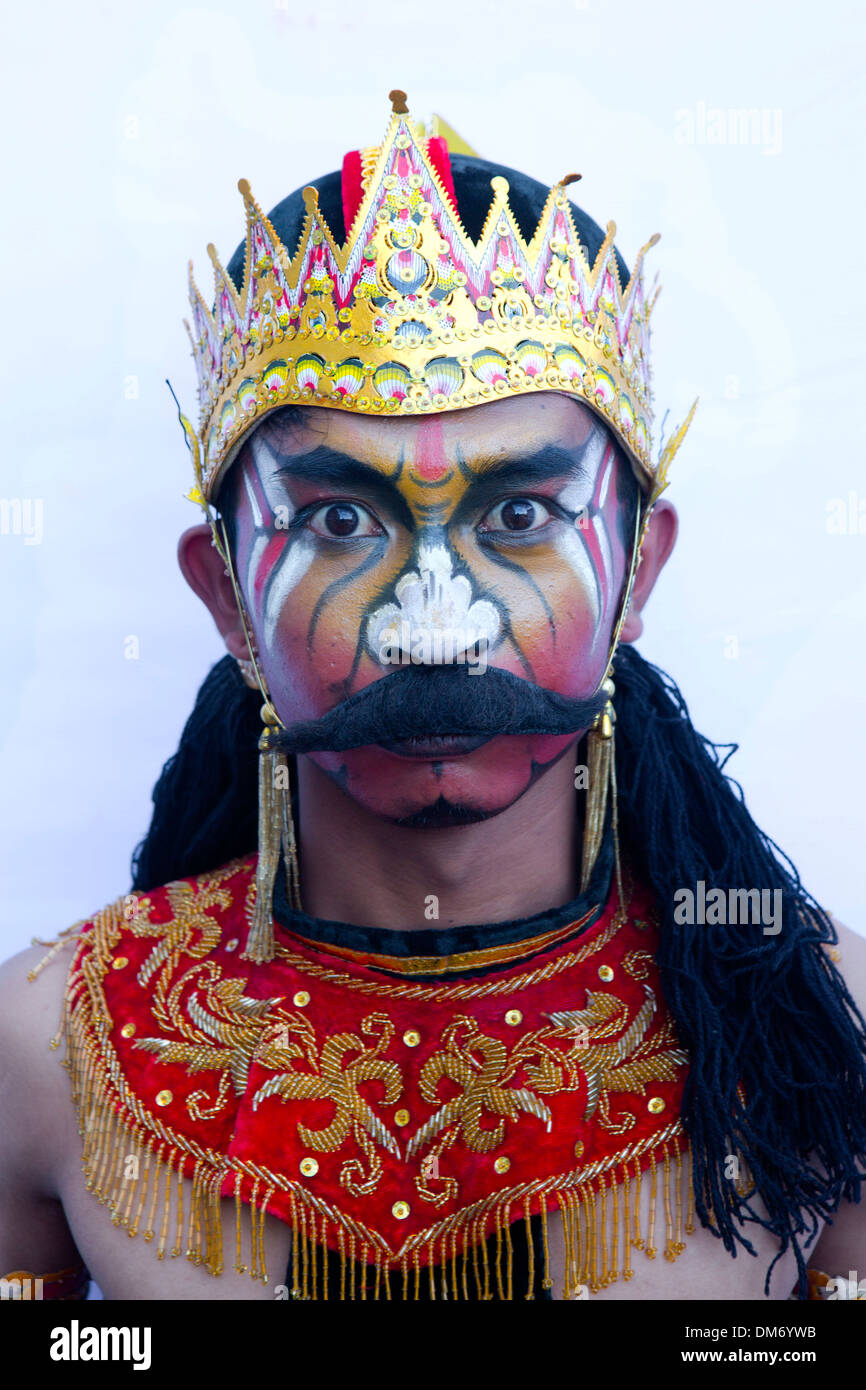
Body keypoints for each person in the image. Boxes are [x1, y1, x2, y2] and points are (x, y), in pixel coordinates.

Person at [2, 92, 864, 1303]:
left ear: (637, 571)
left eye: (519, 516)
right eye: (338, 521)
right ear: (226, 601)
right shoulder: (46, 1050)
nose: (430, 621)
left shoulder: (816, 1030)